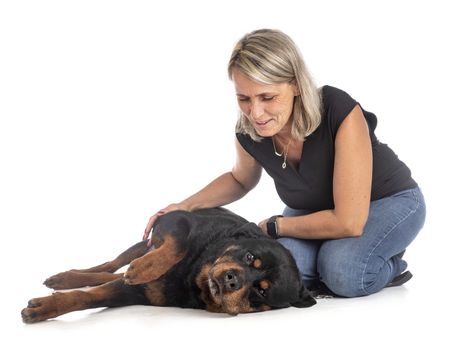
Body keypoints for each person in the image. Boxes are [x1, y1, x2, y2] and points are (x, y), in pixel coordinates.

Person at [143, 29, 426, 298]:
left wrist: (276, 227)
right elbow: (240, 179)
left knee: (344, 273)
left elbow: (349, 221)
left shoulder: (339, 111)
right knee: (285, 271)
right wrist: (185, 205)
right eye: (244, 98)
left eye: (267, 97)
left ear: (294, 84)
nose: (256, 112)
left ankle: (387, 263)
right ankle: (331, 257)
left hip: (387, 202)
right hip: (316, 210)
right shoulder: (249, 131)